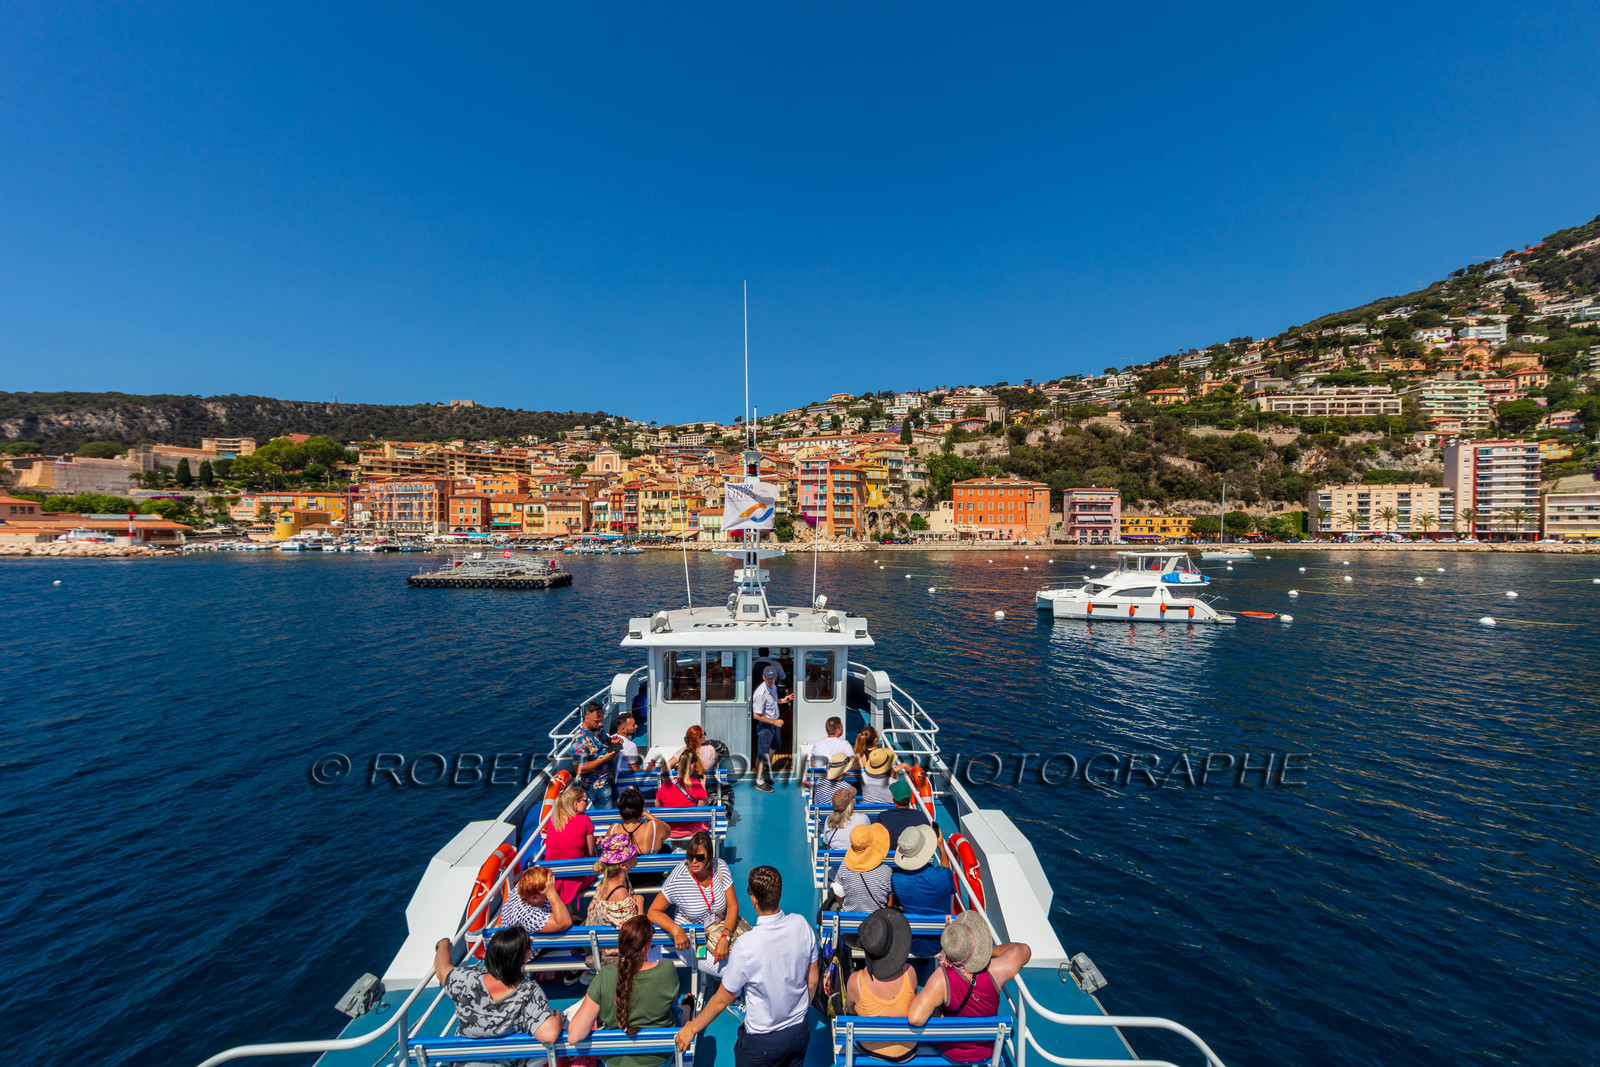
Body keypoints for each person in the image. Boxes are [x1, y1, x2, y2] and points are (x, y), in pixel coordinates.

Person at [675, 866, 818, 1067]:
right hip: (799, 1032)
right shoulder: (802, 925)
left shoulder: (745, 946)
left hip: (762, 1043)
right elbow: (812, 980)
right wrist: (799, 1011)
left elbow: (721, 1000)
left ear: (753, 900)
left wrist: (691, 1029)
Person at [907, 912, 1033, 1063]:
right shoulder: (995, 970)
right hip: (986, 1050)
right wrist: (986, 952)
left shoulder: (941, 979)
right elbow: (1023, 950)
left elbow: (915, 1018)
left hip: (952, 1051)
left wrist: (938, 1014)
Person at [567, 916, 683, 1067]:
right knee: (680, 1009)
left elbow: (574, 1036)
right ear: (645, 947)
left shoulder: (605, 976)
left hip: (614, 1061)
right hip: (659, 1059)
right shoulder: (666, 969)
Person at [433, 927, 563, 1058]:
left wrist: (444, 943)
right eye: (529, 946)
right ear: (525, 956)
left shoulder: (467, 978)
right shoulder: (528, 992)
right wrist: (557, 1016)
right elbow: (549, 1034)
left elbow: (441, 968)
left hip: (462, 1060)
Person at [648, 830, 743, 976]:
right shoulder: (678, 877)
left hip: (720, 928)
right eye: (690, 856)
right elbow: (653, 912)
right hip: (691, 940)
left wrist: (725, 937)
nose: (694, 861)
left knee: (750, 959)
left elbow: (732, 906)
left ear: (709, 858)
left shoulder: (720, 867)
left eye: (699, 857)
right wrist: (676, 929)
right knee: (733, 971)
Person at [846, 908, 917, 1062]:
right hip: (907, 1050)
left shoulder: (855, 982)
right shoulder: (910, 973)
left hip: (871, 1051)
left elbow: (850, 1010)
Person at [887, 825, 956, 958]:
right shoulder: (943, 875)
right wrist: (941, 848)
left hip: (912, 943)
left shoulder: (896, 879)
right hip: (941, 941)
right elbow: (946, 872)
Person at [545, 785, 597, 910]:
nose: (587, 803)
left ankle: (571, 912)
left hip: (553, 879)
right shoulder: (585, 820)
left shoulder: (553, 821)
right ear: (575, 804)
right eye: (586, 800)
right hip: (576, 879)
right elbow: (591, 855)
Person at [498, 865, 575, 936]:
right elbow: (565, 923)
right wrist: (551, 893)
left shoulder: (526, 885)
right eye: (548, 888)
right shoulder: (528, 916)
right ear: (534, 898)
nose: (551, 885)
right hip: (531, 947)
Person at [835, 823, 893, 913]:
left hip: (848, 919)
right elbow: (889, 904)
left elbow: (838, 893)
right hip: (877, 921)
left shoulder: (844, 866)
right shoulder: (886, 871)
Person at [751, 666, 789, 792]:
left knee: (776, 746)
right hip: (766, 725)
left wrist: (783, 700)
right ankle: (759, 780)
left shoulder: (773, 686)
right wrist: (774, 722)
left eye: (772, 678)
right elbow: (756, 715)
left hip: (774, 724)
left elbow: (772, 701)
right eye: (768, 678)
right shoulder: (760, 694)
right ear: (763, 677)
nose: (770, 680)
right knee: (762, 754)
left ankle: (766, 766)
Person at [575, 702, 619, 809]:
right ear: (586, 718)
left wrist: (614, 742)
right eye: (596, 722)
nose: (600, 724)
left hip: (609, 778)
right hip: (598, 787)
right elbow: (579, 769)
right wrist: (604, 759)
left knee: (616, 806)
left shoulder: (598, 727)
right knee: (606, 815)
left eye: (601, 721)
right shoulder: (580, 740)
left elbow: (605, 740)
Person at [655, 753, 711, 839]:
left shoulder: (666, 784)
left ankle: (677, 848)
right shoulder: (696, 785)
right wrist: (703, 787)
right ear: (692, 766)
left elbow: (657, 806)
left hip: (670, 830)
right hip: (692, 830)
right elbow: (702, 809)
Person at [608, 787, 672, 855]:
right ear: (641, 809)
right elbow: (668, 830)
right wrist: (649, 816)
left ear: (621, 810)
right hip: (650, 865)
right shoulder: (654, 826)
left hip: (623, 865)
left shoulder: (613, 829)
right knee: (666, 847)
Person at [871, 779, 931, 850]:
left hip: (890, 858)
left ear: (893, 799)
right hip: (915, 857)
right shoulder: (921, 817)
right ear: (910, 799)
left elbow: (877, 842)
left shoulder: (883, 817)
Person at [820, 786, 868, 851]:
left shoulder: (829, 820)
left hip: (836, 860)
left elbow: (827, 845)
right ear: (851, 803)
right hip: (857, 859)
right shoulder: (863, 818)